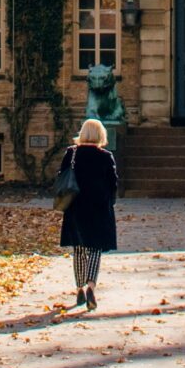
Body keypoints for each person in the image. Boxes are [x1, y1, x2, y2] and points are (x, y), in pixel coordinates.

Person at [57, 116, 119, 311]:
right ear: (101, 135)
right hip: (98, 206)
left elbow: (62, 176)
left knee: (79, 249)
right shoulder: (105, 156)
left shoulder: (71, 153)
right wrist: (111, 202)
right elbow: (113, 183)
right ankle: (91, 284)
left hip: (76, 205)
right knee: (95, 249)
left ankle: (79, 288)